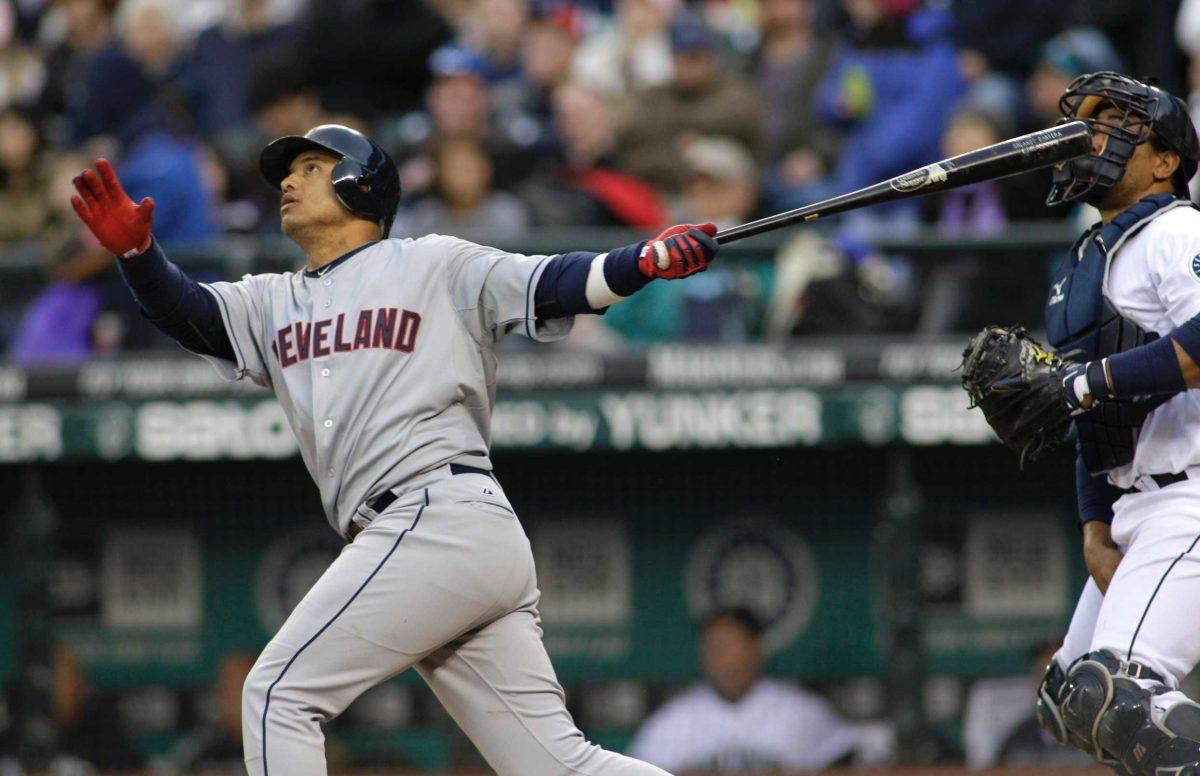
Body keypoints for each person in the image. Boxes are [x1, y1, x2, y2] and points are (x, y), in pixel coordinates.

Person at [69, 123, 720, 776]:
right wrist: (140, 255)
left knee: (277, 695)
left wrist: (646, 263)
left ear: (360, 181)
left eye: (311, 168)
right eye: (286, 174)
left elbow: (555, 283)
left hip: (438, 513)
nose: (289, 183)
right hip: (436, 538)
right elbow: (190, 313)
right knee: (561, 767)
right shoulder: (274, 298)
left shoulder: (432, 263)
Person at [997, 72, 1200, 775]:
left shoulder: (1179, 229)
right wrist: (1093, 522)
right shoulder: (1085, 259)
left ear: (1166, 161)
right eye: (1088, 122)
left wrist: (1086, 380)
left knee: (1116, 696)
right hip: (1135, 502)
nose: (1093, 136)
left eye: (1116, 125)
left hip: (1192, 493)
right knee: (1070, 700)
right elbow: (1086, 409)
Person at [628, 608, 866, 773]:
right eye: (712, 645)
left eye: (729, 643)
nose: (720, 654)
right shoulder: (673, 722)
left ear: (756, 648)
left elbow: (849, 763)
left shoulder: (801, 712)